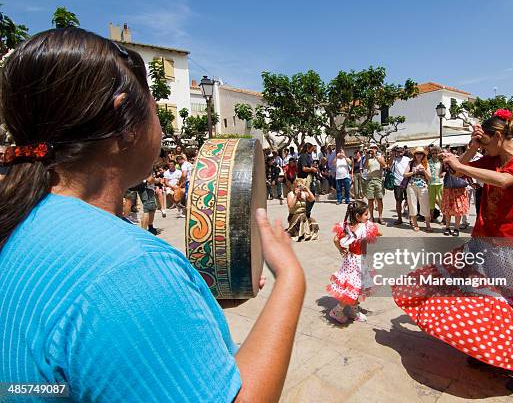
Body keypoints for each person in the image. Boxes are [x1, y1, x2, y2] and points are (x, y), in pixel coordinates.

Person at [0, 28, 305, 402]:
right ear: (126, 123)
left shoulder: (20, 222)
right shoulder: (132, 269)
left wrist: (188, 302)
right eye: (154, 107)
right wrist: (290, 278)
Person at [392, 109, 513, 392]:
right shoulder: (492, 158)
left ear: (498, 136)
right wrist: (472, 148)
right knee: (481, 300)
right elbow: (458, 166)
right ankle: (492, 355)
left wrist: (462, 166)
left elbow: (503, 181)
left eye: (485, 143)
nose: (482, 149)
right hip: (485, 240)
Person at [327, 201, 381, 324]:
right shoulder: (365, 227)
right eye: (366, 214)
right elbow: (378, 234)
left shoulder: (345, 226)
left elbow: (335, 239)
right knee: (353, 289)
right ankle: (337, 311)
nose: (368, 217)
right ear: (358, 216)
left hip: (351, 261)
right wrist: (373, 231)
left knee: (357, 287)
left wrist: (341, 249)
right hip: (357, 262)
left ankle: (354, 310)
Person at [440, 154, 470, 236]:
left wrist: (471, 183)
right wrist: (443, 172)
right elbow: (440, 173)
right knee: (447, 209)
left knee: (458, 210)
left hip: (459, 189)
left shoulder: (462, 164)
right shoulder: (445, 164)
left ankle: (456, 229)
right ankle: (447, 227)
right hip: (448, 188)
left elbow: (467, 174)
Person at [404, 147, 431, 232]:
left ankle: (428, 224)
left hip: (423, 186)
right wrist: (414, 172)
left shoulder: (426, 163)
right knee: (412, 205)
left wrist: (424, 171)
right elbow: (405, 174)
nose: (419, 155)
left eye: (421, 153)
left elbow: (430, 177)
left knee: (425, 205)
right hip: (411, 186)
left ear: (423, 155)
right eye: (417, 153)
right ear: (414, 155)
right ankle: (415, 224)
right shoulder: (411, 163)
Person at [364, 144, 387, 224]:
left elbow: (384, 165)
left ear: (377, 149)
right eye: (371, 148)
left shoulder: (380, 157)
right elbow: (366, 166)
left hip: (378, 180)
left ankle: (380, 217)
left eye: (374, 148)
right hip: (369, 180)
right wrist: (367, 156)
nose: (373, 149)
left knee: (379, 199)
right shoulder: (368, 158)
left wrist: (375, 156)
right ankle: (371, 217)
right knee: (370, 200)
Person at [297, 143, 318, 218]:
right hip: (305, 181)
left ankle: (306, 213)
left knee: (310, 198)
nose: (312, 151)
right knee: (310, 198)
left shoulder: (308, 156)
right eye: (311, 149)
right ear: (307, 149)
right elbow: (304, 168)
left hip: (310, 180)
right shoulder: (304, 156)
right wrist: (312, 169)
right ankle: (305, 213)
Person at [390, 147, 410, 225]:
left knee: (409, 201)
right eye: (397, 152)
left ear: (403, 151)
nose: (399, 153)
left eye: (401, 152)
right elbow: (389, 165)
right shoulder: (394, 159)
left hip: (407, 182)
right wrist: (392, 154)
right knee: (398, 201)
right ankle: (399, 218)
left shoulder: (407, 159)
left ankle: (411, 219)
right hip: (397, 183)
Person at [427, 146, 444, 221]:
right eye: (433, 153)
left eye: (436, 153)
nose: (434, 154)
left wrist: (443, 173)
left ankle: (444, 218)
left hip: (440, 183)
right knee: (431, 201)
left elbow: (445, 170)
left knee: (441, 201)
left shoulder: (441, 162)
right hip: (430, 184)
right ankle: (431, 217)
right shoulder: (428, 161)